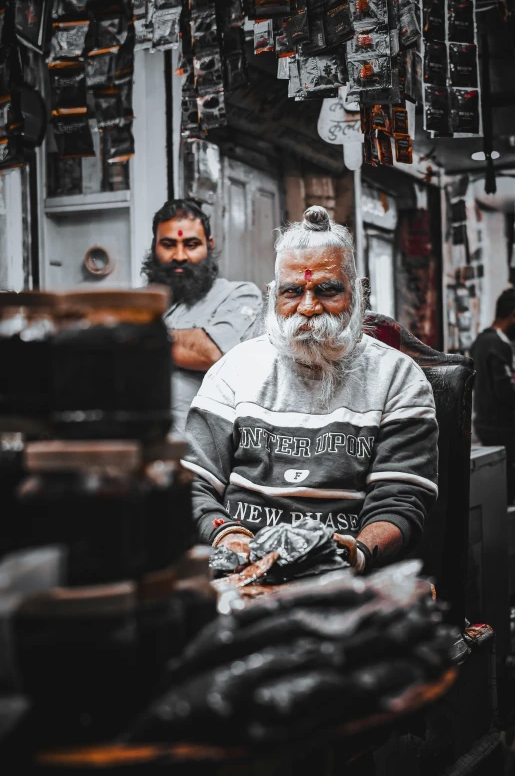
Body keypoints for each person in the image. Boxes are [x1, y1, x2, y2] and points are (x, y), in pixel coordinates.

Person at [182, 206, 438, 573]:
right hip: (240, 566)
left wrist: (353, 555)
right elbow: (193, 483)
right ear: (272, 296)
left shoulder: (397, 377)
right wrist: (232, 540)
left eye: (327, 289)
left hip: (350, 572)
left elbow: (400, 500)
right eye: (292, 291)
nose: (308, 306)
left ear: (357, 294)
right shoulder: (234, 370)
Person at [142, 199, 263, 438]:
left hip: (195, 459)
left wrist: (133, 335)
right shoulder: (141, 303)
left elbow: (210, 352)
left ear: (209, 245)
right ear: (155, 246)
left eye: (191, 244)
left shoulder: (238, 295)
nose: (179, 255)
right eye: (168, 244)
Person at [471, 287, 515, 504]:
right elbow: (503, 390)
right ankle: (508, 524)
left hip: (482, 422)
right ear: (514, 315)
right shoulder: (499, 344)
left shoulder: (480, 341)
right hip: (502, 426)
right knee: (507, 484)